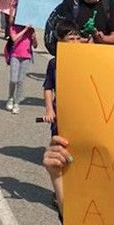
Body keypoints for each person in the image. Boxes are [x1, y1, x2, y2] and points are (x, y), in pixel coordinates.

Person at [42, 20, 88, 214]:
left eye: (79, 38)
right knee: (60, 153)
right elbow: (48, 88)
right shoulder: (54, 63)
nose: (76, 42)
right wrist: (49, 110)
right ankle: (60, 190)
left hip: (81, 115)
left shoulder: (88, 59)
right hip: (61, 116)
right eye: (71, 39)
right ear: (60, 41)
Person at [4, 18, 34, 114]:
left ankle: (17, 103)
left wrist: (34, 37)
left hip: (26, 56)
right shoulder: (13, 27)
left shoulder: (31, 30)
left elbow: (36, 45)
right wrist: (25, 30)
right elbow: (14, 39)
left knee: (21, 81)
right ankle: (10, 98)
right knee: (13, 79)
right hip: (15, 56)